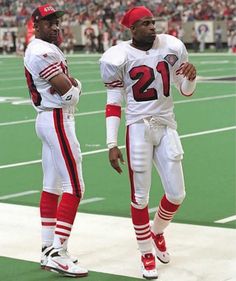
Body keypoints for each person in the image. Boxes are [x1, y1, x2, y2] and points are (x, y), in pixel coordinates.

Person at [99, 6, 197, 280]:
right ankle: (145, 253)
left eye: (153, 22)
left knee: (177, 194)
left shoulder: (172, 46)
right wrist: (111, 142)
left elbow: (185, 91)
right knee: (139, 198)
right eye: (145, 23)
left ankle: (158, 231)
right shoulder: (117, 56)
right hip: (138, 129)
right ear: (132, 29)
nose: (152, 27)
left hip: (166, 126)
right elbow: (113, 103)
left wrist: (190, 77)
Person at [24, 4, 88, 278]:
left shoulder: (42, 48)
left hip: (48, 119)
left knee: (51, 186)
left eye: (57, 21)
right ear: (36, 26)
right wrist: (76, 86)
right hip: (57, 119)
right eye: (48, 22)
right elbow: (70, 94)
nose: (55, 26)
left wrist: (70, 86)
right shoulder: (42, 51)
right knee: (75, 186)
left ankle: (47, 246)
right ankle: (58, 253)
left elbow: (65, 87)